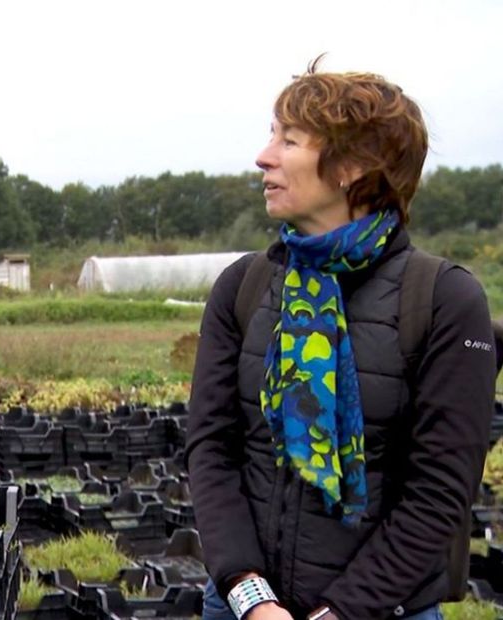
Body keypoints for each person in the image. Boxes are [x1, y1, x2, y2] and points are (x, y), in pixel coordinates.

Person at [185, 59, 497, 620]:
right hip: (240, 606)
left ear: (353, 166)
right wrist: (250, 597)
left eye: (290, 139)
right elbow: (211, 448)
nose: (264, 156)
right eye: (271, 135)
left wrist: (339, 614)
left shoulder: (445, 300)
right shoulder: (244, 286)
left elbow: (440, 489)